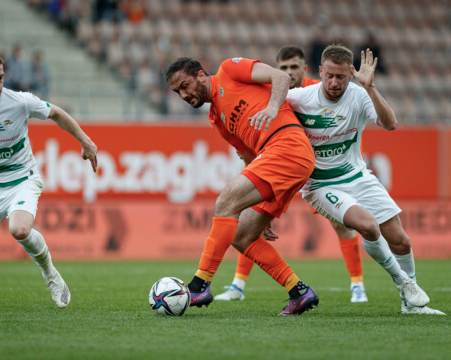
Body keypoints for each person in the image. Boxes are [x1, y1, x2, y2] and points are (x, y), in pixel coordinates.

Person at [285, 44, 445, 315]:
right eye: (330, 76)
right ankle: (404, 283)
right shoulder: (299, 98)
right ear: (321, 72)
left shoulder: (359, 95)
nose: (334, 83)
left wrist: (370, 87)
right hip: (321, 185)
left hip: (358, 175)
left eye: (341, 77)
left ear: (350, 74)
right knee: (369, 227)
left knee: (401, 240)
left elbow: (391, 123)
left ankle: (411, 306)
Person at [165, 56, 319, 316]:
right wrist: (259, 201)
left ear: (201, 76)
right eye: (177, 91)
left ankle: (199, 284)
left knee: (224, 203)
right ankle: (299, 291)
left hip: (287, 146)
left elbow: (280, 77)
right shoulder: (217, 118)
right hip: (279, 159)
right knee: (242, 235)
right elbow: (249, 156)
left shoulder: (229, 70)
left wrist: (272, 108)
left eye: (185, 85)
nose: (183, 94)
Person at [215, 45, 368, 303]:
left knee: (340, 223)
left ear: (305, 69)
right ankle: (238, 285)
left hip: (319, 169)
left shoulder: (317, 91)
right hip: (285, 165)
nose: (289, 71)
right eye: (283, 68)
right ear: (277, 69)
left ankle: (357, 284)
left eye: (294, 67)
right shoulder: (272, 95)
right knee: (250, 222)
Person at [0, 49, 98, 310]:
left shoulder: (18, 101)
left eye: (1, 77)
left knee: (19, 229)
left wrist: (85, 141)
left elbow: (56, 113)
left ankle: (51, 274)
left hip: (21, 179)